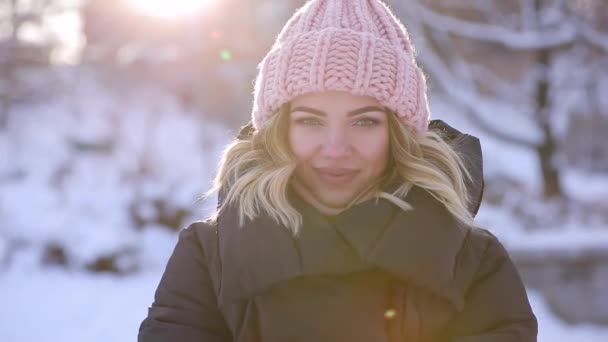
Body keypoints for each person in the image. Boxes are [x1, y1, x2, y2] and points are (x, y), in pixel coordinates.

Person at [138, 0, 538, 341]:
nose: (335, 148)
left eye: (364, 121)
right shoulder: (209, 257)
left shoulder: (473, 261)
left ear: (398, 134)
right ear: (280, 130)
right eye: (311, 121)